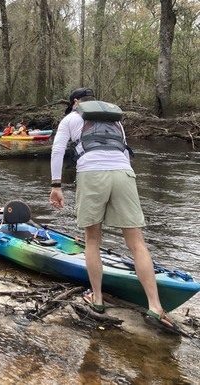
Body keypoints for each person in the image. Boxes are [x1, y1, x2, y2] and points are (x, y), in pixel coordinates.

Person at [49, 87, 179, 332]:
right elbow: (124, 150)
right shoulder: (115, 121)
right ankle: (156, 306)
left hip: (91, 174)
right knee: (137, 242)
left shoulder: (71, 118)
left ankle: (97, 299)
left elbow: (57, 150)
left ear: (75, 102)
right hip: (124, 173)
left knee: (92, 240)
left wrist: (56, 185)